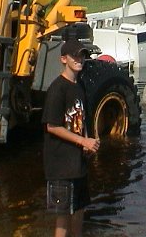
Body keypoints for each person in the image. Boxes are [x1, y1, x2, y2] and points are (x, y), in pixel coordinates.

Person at [42, 39, 100, 237]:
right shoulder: (57, 89)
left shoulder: (80, 86)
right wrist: (82, 141)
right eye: (75, 56)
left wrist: (87, 143)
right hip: (60, 166)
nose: (79, 59)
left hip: (78, 164)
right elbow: (52, 126)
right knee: (63, 217)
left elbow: (80, 120)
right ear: (63, 59)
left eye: (82, 55)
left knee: (79, 211)